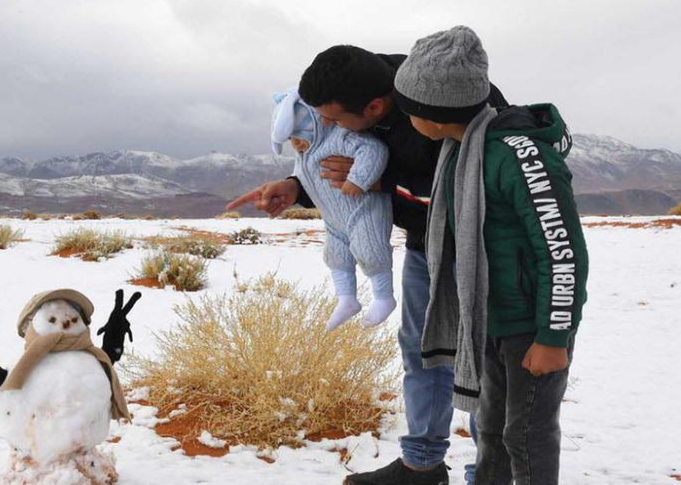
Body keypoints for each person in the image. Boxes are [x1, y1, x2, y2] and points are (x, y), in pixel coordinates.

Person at [227, 45, 507, 485]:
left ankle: (493, 474)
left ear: (374, 107)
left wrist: (381, 182)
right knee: (422, 354)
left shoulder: (441, 100)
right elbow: (338, 153)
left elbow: (473, 189)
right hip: (424, 246)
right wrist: (297, 187)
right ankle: (421, 466)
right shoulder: (365, 83)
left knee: (483, 363)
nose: (329, 127)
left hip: (483, 248)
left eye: (335, 119)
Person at [394, 25, 589, 485]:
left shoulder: (517, 157)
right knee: (494, 431)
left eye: (408, 107)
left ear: (433, 110)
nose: (405, 118)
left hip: (529, 327)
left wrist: (553, 336)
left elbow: (562, 251)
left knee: (526, 435)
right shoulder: (463, 150)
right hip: (490, 319)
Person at [270, 88, 396, 329]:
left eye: (300, 135)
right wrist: (291, 185)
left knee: (370, 251)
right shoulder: (304, 154)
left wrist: (358, 179)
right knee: (335, 255)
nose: (296, 143)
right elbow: (305, 176)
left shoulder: (339, 138)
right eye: (291, 139)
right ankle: (347, 298)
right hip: (334, 217)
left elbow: (373, 150)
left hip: (363, 210)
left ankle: (384, 297)